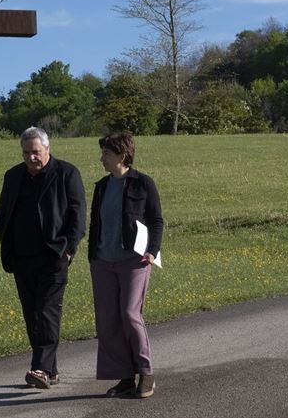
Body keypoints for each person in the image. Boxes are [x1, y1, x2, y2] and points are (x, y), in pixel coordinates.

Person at [0, 126, 86, 389]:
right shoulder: (13, 176)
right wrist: (8, 242)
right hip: (22, 258)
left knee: (47, 312)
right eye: (26, 153)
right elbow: (2, 214)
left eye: (35, 152)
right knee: (32, 315)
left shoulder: (66, 173)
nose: (31, 158)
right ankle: (51, 369)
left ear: (47, 149)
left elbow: (77, 215)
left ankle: (41, 369)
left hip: (54, 256)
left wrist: (68, 248)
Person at [88, 131, 164, 398]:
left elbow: (156, 221)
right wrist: (93, 257)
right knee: (108, 320)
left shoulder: (143, 184)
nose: (102, 159)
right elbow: (96, 223)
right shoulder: (101, 186)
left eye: (106, 154)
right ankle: (124, 378)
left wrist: (153, 251)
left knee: (130, 315)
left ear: (122, 155)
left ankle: (146, 373)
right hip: (102, 262)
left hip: (134, 261)